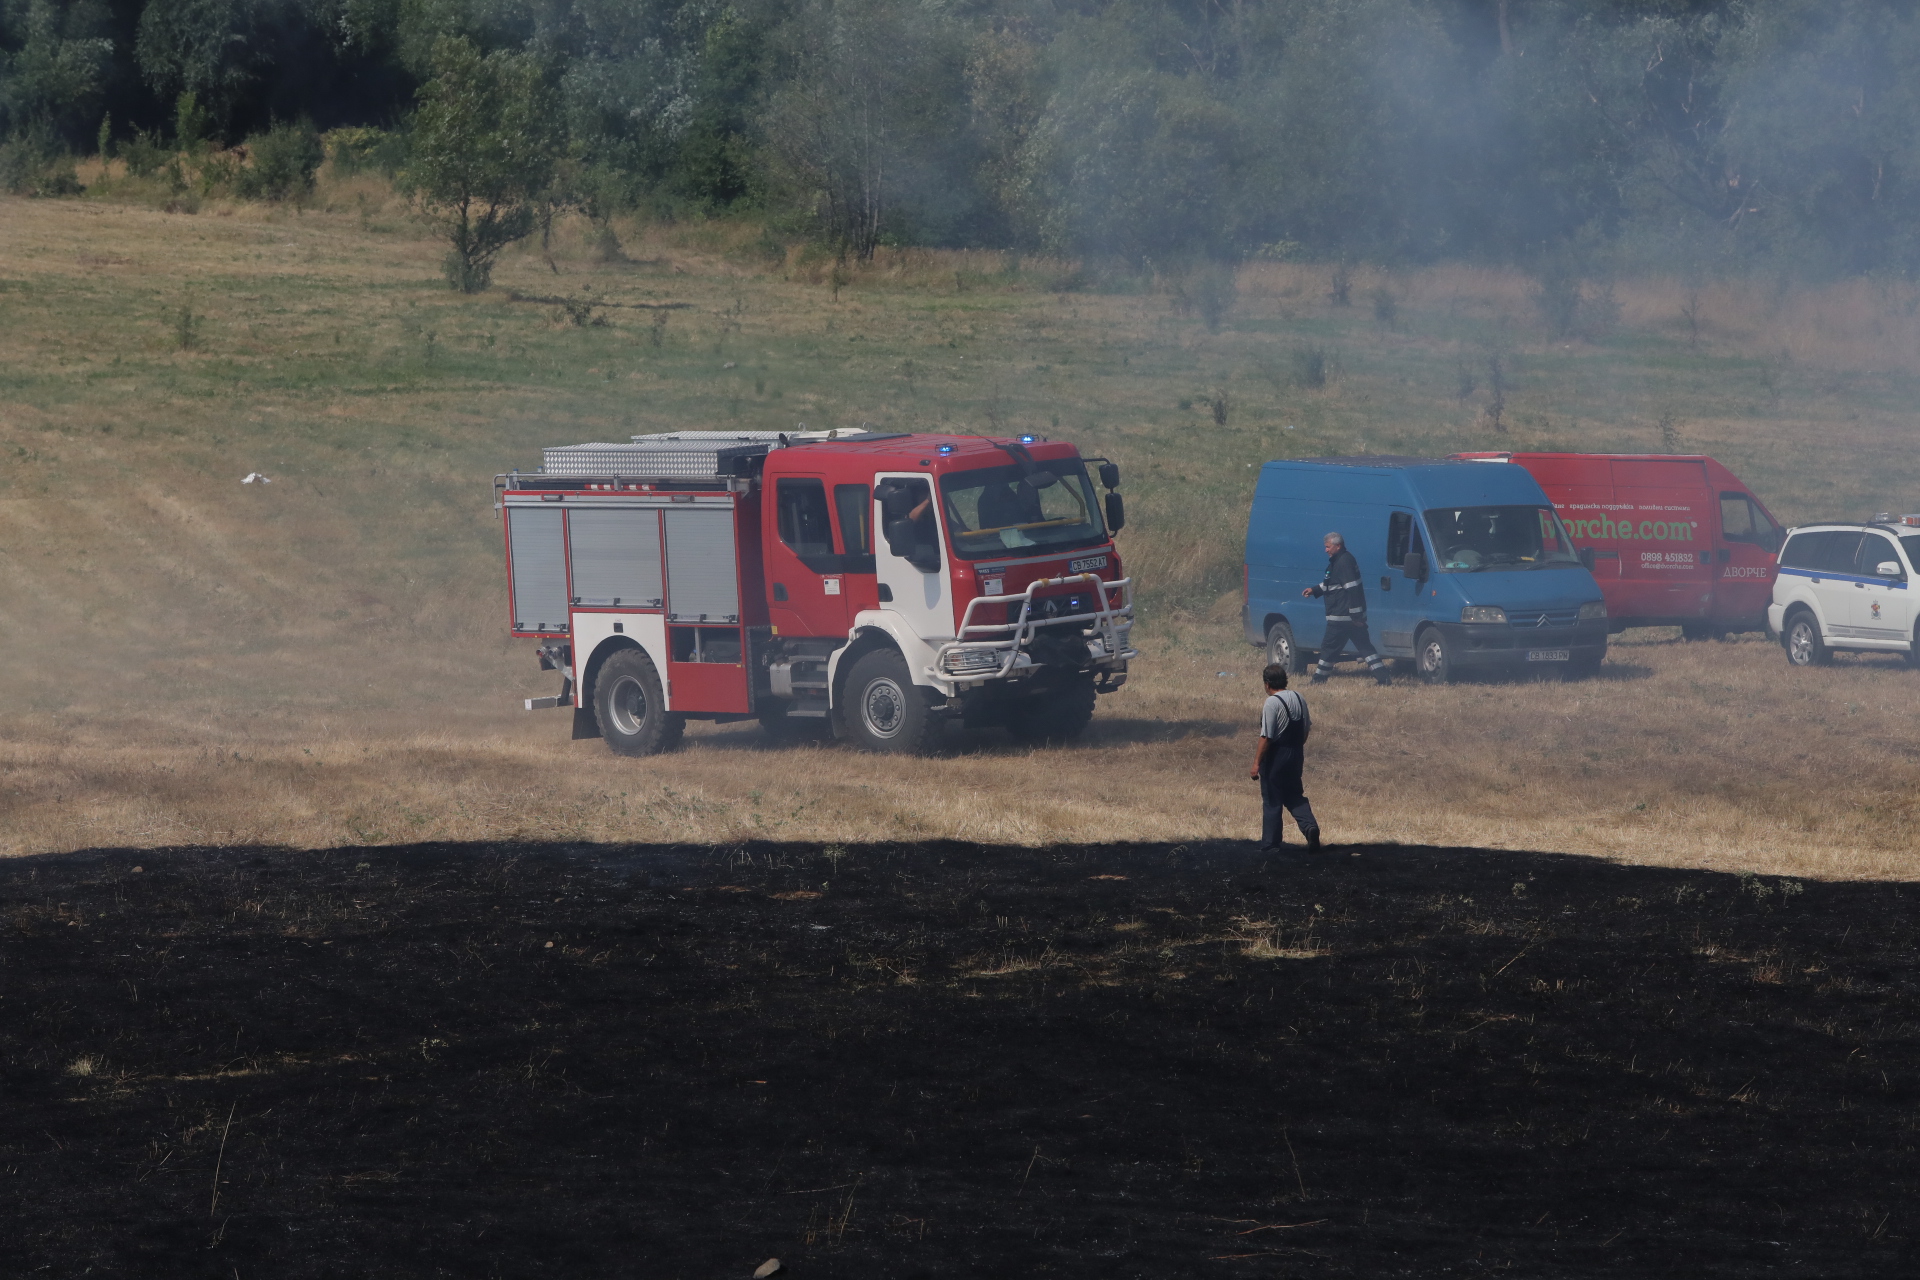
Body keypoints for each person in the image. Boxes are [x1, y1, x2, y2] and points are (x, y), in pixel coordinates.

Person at [1302, 531, 1390, 685]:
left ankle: (1318, 680)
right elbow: (1332, 584)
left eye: (1328, 547)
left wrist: (1356, 617)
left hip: (1341, 617)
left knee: (1328, 648)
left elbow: (1353, 590)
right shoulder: (1339, 561)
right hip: (1348, 618)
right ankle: (1384, 679)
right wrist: (1315, 590)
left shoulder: (1344, 562)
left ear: (1338, 545)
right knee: (1365, 648)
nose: (1326, 550)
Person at [1250, 663, 1320, 852]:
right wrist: (1295, 751)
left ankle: (1270, 845)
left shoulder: (1272, 703)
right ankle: (1310, 827)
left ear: (1267, 684)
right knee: (1294, 795)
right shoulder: (1299, 697)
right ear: (1285, 680)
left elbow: (1266, 737)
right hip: (1296, 753)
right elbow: (1306, 729)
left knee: (1272, 799)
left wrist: (1256, 764)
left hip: (1277, 757)